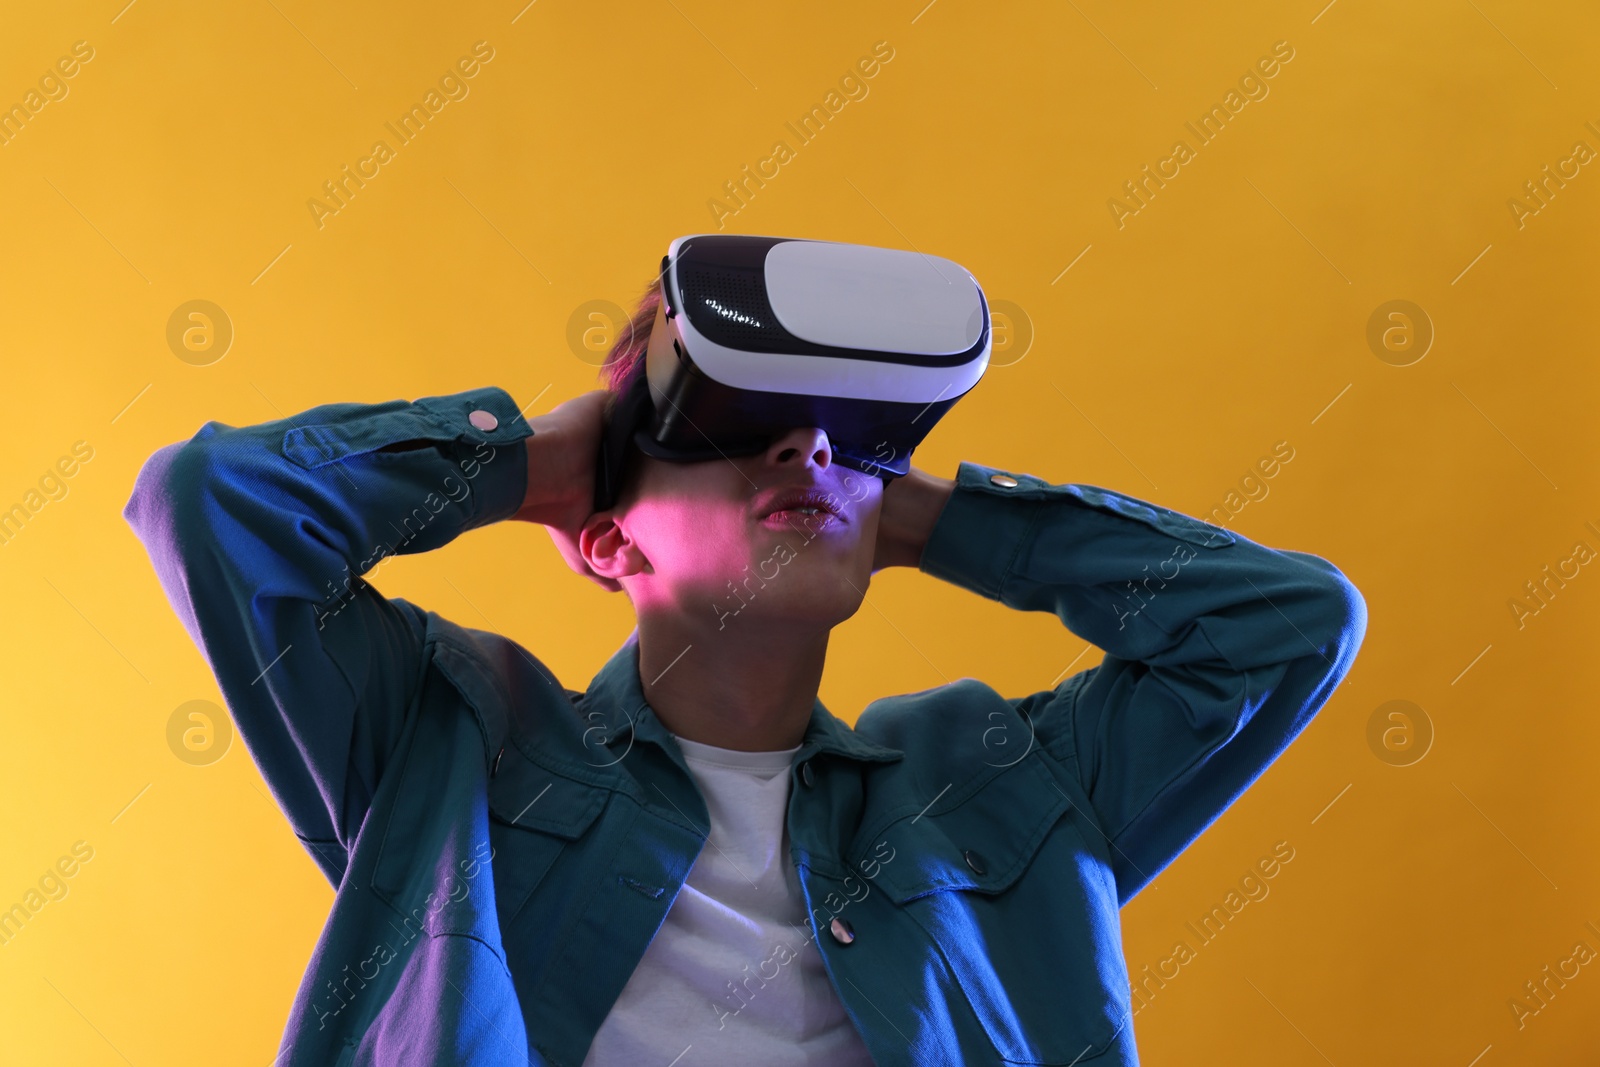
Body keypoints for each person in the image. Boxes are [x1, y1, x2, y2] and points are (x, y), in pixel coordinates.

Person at [123, 277, 1367, 1066]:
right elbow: (215, 502)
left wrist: (909, 504)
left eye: (846, 429)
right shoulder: (448, 748)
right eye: (736, 421)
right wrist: (526, 460)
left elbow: (1284, 625)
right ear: (606, 531)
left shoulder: (992, 787)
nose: (806, 442)